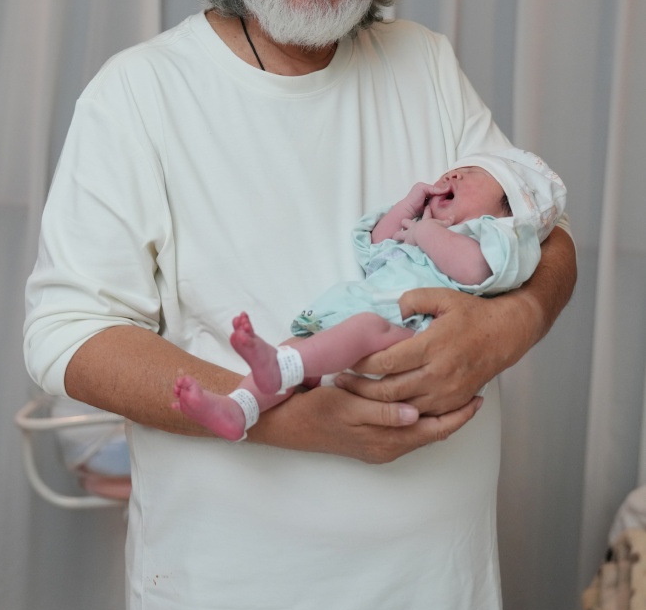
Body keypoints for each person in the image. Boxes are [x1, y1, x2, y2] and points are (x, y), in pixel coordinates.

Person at [24, 0, 577, 610]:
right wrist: (289, 422)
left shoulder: (425, 64)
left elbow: (548, 240)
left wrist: (506, 326)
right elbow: (67, 334)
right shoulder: (139, 95)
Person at [173, 148, 567, 442]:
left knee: (361, 328)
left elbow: (474, 268)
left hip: (410, 339)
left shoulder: (498, 239)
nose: (454, 175)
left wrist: (427, 232)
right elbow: (376, 245)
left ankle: (281, 369)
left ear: (506, 210)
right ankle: (238, 409)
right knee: (298, 348)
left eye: (472, 175)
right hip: (357, 334)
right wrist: (409, 208)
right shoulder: (419, 230)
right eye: (453, 170)